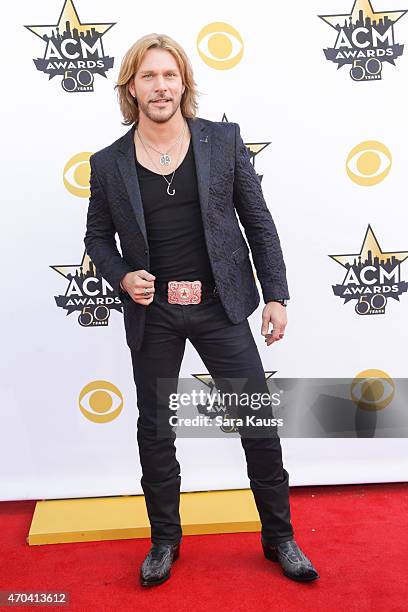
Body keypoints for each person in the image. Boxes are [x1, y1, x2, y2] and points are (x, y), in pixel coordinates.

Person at [84, 33, 319, 587]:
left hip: (220, 306)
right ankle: (164, 542)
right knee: (156, 431)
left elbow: (258, 221)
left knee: (257, 424)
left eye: (169, 75)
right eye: (148, 76)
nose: (160, 86)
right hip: (154, 313)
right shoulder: (108, 162)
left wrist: (277, 295)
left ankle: (280, 538)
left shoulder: (223, 141)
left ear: (184, 82)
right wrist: (122, 276)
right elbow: (96, 239)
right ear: (131, 87)